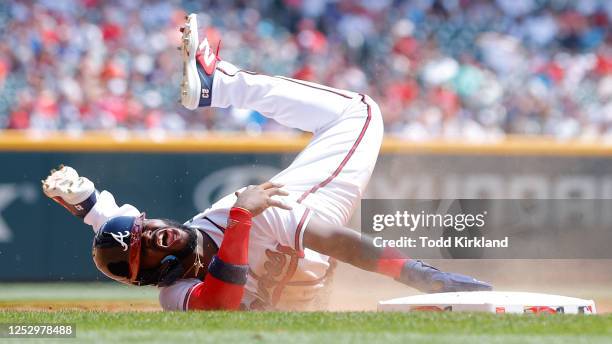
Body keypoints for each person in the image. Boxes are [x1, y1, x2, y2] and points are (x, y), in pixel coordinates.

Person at [42, 14, 491, 311]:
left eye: (145, 227)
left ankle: (217, 83)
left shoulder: (245, 209)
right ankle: (218, 84)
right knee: (359, 111)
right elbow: (220, 305)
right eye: (148, 247)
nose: (153, 233)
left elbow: (338, 241)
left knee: (359, 112)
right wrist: (240, 220)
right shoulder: (184, 282)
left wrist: (418, 275)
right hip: (309, 283)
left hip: (309, 225)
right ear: (153, 273)